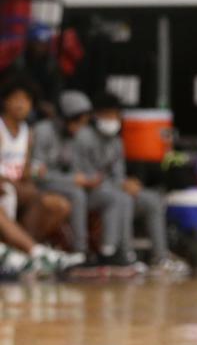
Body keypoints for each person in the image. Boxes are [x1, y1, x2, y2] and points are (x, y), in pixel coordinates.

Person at [75, 91, 188, 274]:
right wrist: (119, 185)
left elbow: (118, 174)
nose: (112, 119)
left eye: (115, 115)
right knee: (122, 197)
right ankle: (122, 254)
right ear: (96, 116)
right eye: (107, 115)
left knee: (152, 199)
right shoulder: (83, 137)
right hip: (91, 193)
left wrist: (126, 183)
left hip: (113, 189)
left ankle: (160, 257)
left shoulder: (117, 141)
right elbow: (85, 176)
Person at [32, 91, 129, 263]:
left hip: (69, 185)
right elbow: (37, 173)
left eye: (83, 123)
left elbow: (74, 170)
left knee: (112, 198)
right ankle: (80, 252)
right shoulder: (43, 131)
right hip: (42, 186)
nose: (80, 128)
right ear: (65, 117)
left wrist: (88, 179)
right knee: (77, 193)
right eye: (77, 122)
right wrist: (73, 180)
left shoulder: (73, 136)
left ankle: (109, 252)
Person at [0, 75, 72, 244]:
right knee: (8, 193)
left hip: (19, 186)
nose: (21, 104)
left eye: (26, 100)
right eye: (16, 99)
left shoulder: (28, 132)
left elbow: (24, 171)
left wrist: (34, 172)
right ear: (5, 101)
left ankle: (25, 247)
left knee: (59, 205)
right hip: (5, 185)